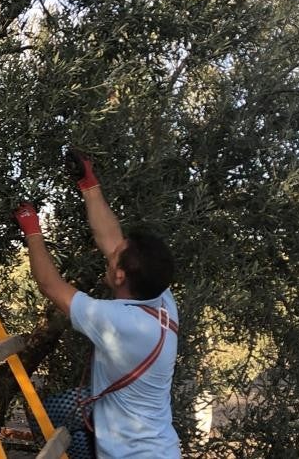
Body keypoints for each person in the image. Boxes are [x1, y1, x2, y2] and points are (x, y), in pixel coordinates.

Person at [13, 149, 180, 458]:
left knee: (47, 418)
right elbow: (112, 239)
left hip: (132, 455)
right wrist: (88, 184)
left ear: (119, 275)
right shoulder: (161, 298)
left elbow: (51, 285)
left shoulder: (120, 323)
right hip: (157, 444)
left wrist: (32, 230)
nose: (111, 252)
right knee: (48, 413)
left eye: (115, 257)